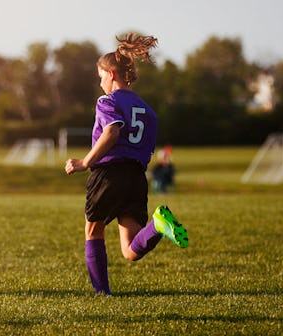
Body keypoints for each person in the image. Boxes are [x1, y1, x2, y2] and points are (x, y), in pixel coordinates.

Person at [64, 33, 189, 295]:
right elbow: (147, 149)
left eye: (101, 77)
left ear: (111, 73)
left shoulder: (107, 101)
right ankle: (157, 225)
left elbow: (111, 132)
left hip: (109, 174)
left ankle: (101, 292)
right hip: (136, 176)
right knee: (130, 251)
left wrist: (85, 162)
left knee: (93, 230)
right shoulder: (148, 110)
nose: (100, 84)